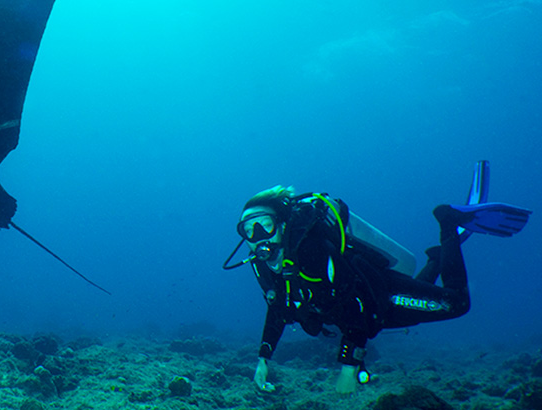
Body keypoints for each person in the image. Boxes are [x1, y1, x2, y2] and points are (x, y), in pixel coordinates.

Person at [226, 163, 531, 394]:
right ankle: (437, 258)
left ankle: (448, 222)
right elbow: (277, 308)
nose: (257, 236)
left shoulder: (313, 250)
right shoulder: (264, 265)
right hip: (371, 316)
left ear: (281, 226)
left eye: (264, 225)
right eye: (247, 231)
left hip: (379, 294)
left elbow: (353, 302)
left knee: (455, 304)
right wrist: (263, 358)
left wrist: (349, 366)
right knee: (411, 315)